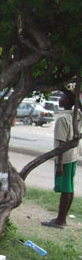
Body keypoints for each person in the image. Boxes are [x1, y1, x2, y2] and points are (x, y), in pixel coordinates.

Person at [41, 92, 82, 228]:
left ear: (67, 101)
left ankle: (60, 220)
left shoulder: (63, 118)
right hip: (73, 155)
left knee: (65, 187)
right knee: (69, 187)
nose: (60, 100)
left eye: (62, 97)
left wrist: (59, 164)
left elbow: (61, 143)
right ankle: (62, 218)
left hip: (64, 157)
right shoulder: (76, 115)